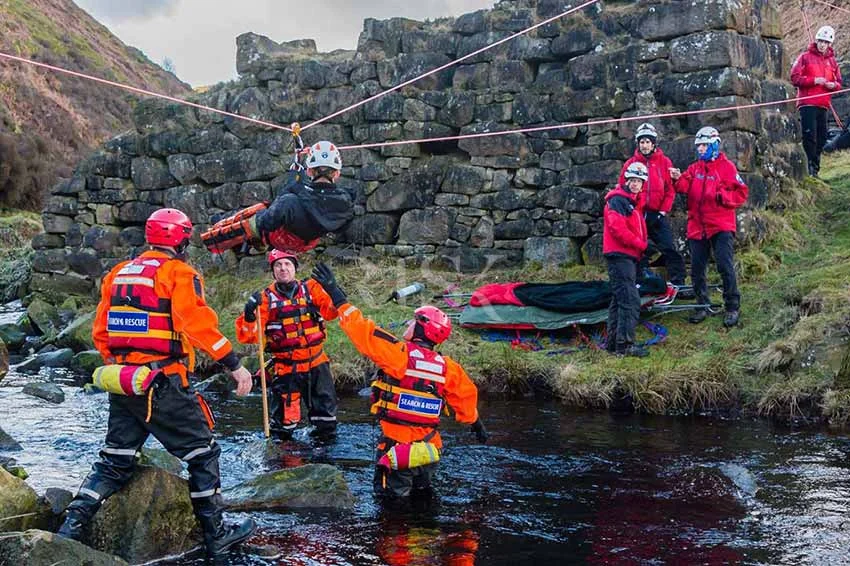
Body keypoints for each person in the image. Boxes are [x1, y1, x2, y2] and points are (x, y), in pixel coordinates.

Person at [57, 208, 256, 559]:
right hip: (163, 381)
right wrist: (234, 364)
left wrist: (122, 366)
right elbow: (195, 324)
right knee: (203, 452)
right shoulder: (179, 273)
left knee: (114, 460)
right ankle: (216, 534)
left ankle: (71, 526)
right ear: (179, 239)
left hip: (124, 381)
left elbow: (100, 332)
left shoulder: (119, 273)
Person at [310, 262, 487, 500]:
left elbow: (362, 331)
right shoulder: (448, 368)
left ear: (423, 329)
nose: (408, 323)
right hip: (428, 451)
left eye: (414, 321)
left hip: (396, 451)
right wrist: (477, 425)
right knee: (422, 502)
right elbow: (466, 404)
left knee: (391, 509)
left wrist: (337, 295)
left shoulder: (398, 354)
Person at [235, 249, 340, 441]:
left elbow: (333, 312)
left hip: (317, 363)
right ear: (273, 271)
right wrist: (250, 314)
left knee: (326, 420)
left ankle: (324, 461)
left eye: (287, 264)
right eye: (278, 265)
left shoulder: (312, 289)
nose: (283, 268)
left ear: (295, 268)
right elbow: (250, 337)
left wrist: (334, 289)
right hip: (286, 369)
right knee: (284, 426)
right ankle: (284, 463)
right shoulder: (265, 299)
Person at [202, 140, 354, 254]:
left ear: (309, 172)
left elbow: (271, 217)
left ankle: (218, 231)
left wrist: (293, 178)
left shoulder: (293, 200)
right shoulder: (345, 202)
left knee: (260, 211)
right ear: (337, 173)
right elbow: (321, 205)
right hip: (309, 242)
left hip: (282, 239)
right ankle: (234, 231)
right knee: (276, 208)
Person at [670, 127, 749, 327]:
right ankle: (702, 304)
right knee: (696, 268)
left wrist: (723, 196)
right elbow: (683, 186)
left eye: (704, 145)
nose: (701, 149)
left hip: (721, 225)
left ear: (714, 145)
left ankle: (732, 306)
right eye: (699, 146)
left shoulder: (727, 167)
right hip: (697, 226)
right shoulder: (694, 168)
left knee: (724, 265)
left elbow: (741, 193)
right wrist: (676, 178)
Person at [618, 122, 687, 287]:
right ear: (638, 144)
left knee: (669, 247)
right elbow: (623, 187)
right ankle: (639, 281)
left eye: (648, 142)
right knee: (637, 249)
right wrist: (634, 210)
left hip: (657, 214)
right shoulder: (630, 164)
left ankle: (679, 282)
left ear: (654, 143)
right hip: (638, 214)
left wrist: (662, 212)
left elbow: (670, 190)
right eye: (642, 142)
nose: (645, 145)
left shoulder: (665, 162)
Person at [603, 161, 650, 358]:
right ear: (626, 180)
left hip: (627, 257)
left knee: (619, 300)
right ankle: (625, 345)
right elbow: (618, 229)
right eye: (631, 180)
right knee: (630, 301)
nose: (634, 184)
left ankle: (613, 343)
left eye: (638, 181)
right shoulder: (619, 201)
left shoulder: (631, 202)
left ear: (643, 183)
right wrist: (642, 245)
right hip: (620, 256)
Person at [790, 25, 843, 177]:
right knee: (809, 136)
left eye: (825, 42)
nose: (822, 44)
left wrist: (833, 85)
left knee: (822, 138)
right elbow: (794, 78)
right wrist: (814, 80)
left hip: (823, 105)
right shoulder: (804, 57)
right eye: (820, 41)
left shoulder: (833, 62)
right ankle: (810, 169)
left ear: (829, 44)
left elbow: (839, 82)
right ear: (816, 40)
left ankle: (815, 169)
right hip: (807, 104)